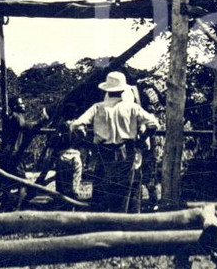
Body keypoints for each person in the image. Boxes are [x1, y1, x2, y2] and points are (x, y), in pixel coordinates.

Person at [67, 71, 160, 212]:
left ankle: (102, 223)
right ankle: (122, 220)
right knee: (124, 189)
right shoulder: (132, 107)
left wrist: (87, 140)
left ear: (106, 90)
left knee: (102, 188)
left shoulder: (98, 107)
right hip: (126, 151)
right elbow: (154, 124)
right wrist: (142, 139)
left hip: (103, 151)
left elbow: (76, 125)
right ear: (123, 90)